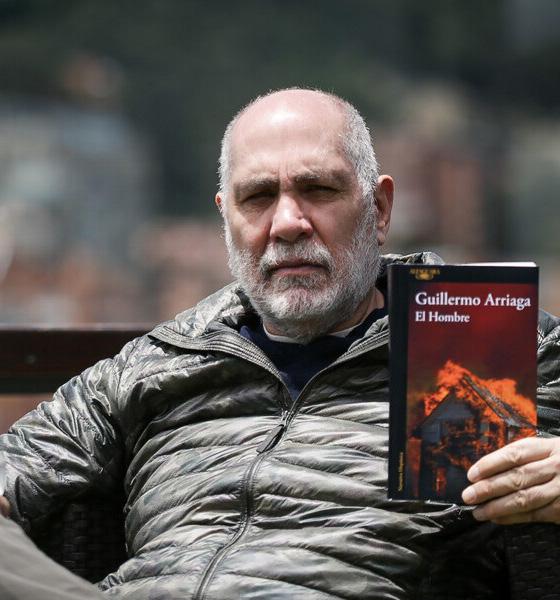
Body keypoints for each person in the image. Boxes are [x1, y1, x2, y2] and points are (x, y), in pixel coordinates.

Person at [1, 88, 560, 599]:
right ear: (227, 219)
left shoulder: (488, 341)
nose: (288, 222)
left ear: (379, 209)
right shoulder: (158, 363)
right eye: (258, 197)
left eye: (319, 190)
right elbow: (16, 467)